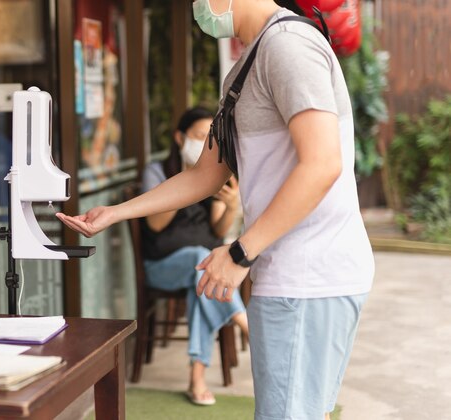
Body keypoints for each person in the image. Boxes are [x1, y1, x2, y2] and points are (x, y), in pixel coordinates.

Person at [57, 0, 374, 419]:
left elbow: (322, 165)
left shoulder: (288, 45)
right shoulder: (247, 64)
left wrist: (240, 252)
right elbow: (204, 176)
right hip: (286, 276)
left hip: (309, 277)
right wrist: (117, 212)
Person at [141, 107, 248, 406]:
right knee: (201, 261)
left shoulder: (215, 175)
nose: (203, 145)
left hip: (200, 268)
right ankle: (245, 323)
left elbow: (219, 229)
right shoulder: (157, 172)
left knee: (202, 278)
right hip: (161, 266)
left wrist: (230, 207)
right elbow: (155, 223)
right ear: (179, 138)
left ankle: (196, 379)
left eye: (208, 139)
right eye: (198, 137)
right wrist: (184, 184)